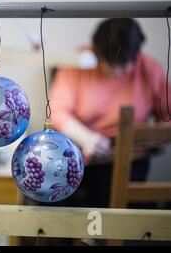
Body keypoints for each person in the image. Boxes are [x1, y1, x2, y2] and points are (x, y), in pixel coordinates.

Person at [49, 18, 170, 209]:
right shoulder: (78, 64)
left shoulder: (150, 69)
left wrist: (156, 137)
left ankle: (95, 237)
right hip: (82, 150)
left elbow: (167, 116)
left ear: (136, 55)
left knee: (108, 188)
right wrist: (86, 138)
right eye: (110, 64)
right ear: (95, 51)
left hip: (130, 157)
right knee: (50, 187)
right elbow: (57, 111)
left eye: (124, 65)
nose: (118, 71)